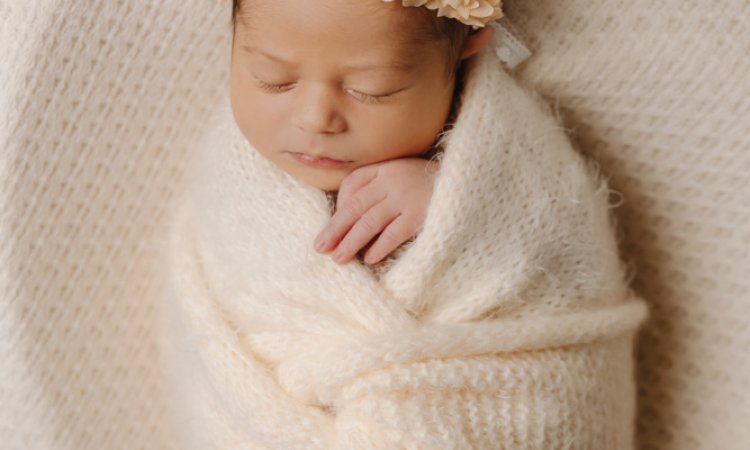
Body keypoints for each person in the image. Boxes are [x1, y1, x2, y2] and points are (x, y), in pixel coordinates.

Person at [229, 0, 498, 267]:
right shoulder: (224, 171)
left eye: (370, 90)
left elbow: (532, 209)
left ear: (468, 47)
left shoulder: (505, 150)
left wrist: (456, 193)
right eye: (274, 80)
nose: (315, 119)